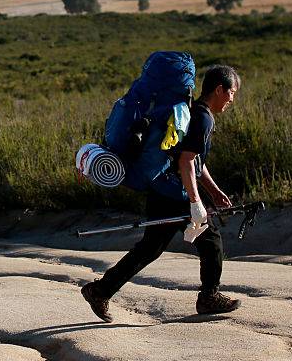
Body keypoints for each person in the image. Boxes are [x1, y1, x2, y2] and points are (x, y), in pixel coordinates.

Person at [81, 64, 242, 321]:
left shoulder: (194, 112)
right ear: (220, 89)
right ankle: (209, 297)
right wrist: (195, 202)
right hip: (175, 193)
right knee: (211, 241)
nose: (232, 99)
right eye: (232, 93)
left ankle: (101, 290)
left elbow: (194, 161)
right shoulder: (203, 117)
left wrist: (214, 190)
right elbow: (186, 162)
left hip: (162, 188)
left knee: (149, 248)